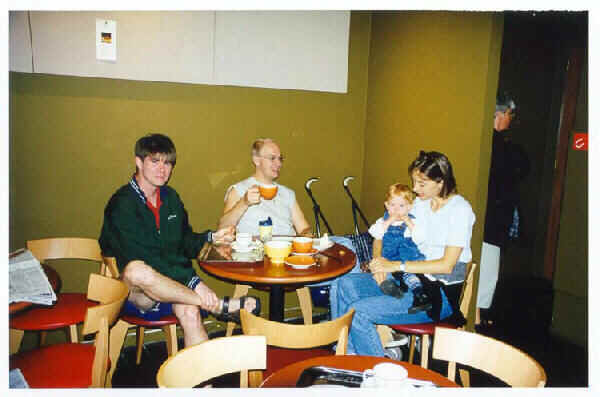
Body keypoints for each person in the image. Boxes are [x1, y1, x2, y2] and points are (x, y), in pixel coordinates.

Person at [99, 133, 260, 348]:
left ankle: (202, 382)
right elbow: (148, 257)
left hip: (172, 288)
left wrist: (211, 237)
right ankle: (216, 305)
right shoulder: (122, 205)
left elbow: (184, 242)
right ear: (138, 162)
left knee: (191, 312)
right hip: (134, 294)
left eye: (167, 163)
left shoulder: (170, 198)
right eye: (154, 161)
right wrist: (194, 283)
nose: (162, 169)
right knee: (137, 269)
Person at [329, 151, 475, 357]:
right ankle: (350, 355)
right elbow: (380, 233)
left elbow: (447, 265)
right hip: (402, 280)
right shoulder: (418, 204)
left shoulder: (460, 210)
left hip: (436, 293)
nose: (415, 189)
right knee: (341, 284)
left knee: (359, 312)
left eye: (422, 183)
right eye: (414, 182)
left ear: (440, 182)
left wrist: (395, 266)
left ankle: (379, 376)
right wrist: (378, 262)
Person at [477, 92, 529, 327]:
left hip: (489, 221)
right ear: (498, 115)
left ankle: (477, 318)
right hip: (491, 223)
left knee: (485, 273)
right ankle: (476, 322)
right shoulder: (500, 149)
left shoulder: (494, 146)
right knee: (486, 275)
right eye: (509, 114)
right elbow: (521, 168)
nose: (511, 118)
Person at [218, 138, 311, 236]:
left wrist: (307, 236)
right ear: (256, 160)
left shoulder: (288, 193)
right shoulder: (238, 190)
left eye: (280, 158)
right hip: (255, 250)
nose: (279, 164)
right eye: (272, 158)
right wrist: (244, 202)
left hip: (287, 248)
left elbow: (304, 229)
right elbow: (222, 228)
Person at [368, 183, 431, 314]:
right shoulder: (383, 221)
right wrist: (388, 222)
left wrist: (410, 223)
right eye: (392, 205)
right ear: (386, 205)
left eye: (401, 206)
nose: (396, 210)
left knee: (409, 275)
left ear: (409, 207)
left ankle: (419, 294)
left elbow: (420, 238)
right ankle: (393, 289)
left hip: (406, 258)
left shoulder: (412, 222)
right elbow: (374, 233)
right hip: (388, 258)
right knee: (382, 272)